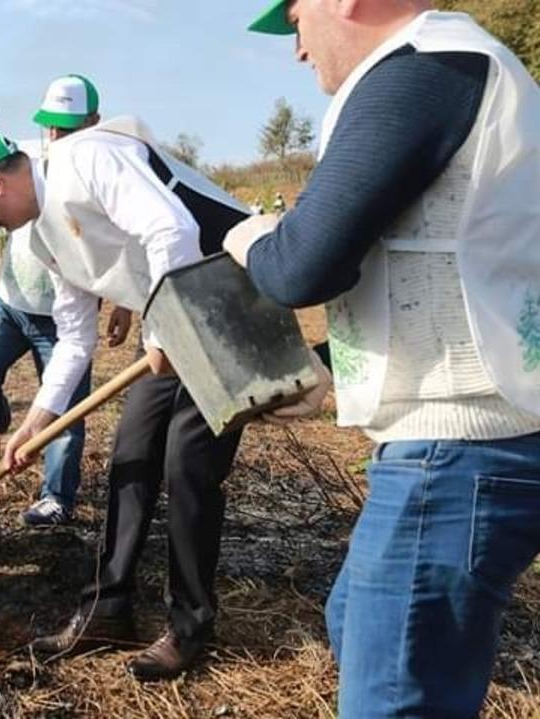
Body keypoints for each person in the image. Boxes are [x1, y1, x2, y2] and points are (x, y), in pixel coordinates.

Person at [227, 1, 540, 715]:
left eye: (297, 18)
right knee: (355, 625)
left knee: (393, 697)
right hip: (477, 443)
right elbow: (444, 268)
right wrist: (329, 366)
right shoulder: (465, 69)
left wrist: (246, 237)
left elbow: (298, 269)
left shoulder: (423, 71)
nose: (298, 49)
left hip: (456, 450)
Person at [0, 114, 252, 679]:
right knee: (131, 454)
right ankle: (108, 608)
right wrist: (39, 418)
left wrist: (161, 330)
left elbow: (172, 232)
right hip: (172, 319)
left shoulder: (87, 159)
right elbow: (76, 336)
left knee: (188, 464)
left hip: (227, 293)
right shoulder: (39, 235)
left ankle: (190, 626)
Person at [0, 75, 129, 525]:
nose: (58, 137)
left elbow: (133, 241)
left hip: (63, 319)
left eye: (69, 128)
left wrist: (127, 301)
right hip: (12, 303)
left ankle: (56, 495)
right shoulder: (20, 166)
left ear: (93, 123)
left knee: (65, 414)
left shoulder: (99, 173)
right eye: (51, 127)